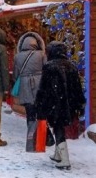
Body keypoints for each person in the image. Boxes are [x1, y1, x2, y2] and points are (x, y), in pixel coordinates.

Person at [35, 41, 86, 170]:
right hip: (69, 103)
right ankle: (58, 154)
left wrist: (39, 105)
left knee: (58, 128)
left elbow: (43, 88)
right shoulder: (71, 66)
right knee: (59, 126)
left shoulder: (49, 66)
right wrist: (80, 104)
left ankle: (65, 159)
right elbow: (77, 88)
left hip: (54, 103)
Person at [13, 32, 47, 151]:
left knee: (30, 114)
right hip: (39, 86)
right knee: (41, 113)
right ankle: (42, 140)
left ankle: (30, 141)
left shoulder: (17, 56)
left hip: (25, 86)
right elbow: (46, 70)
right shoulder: (41, 54)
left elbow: (16, 75)